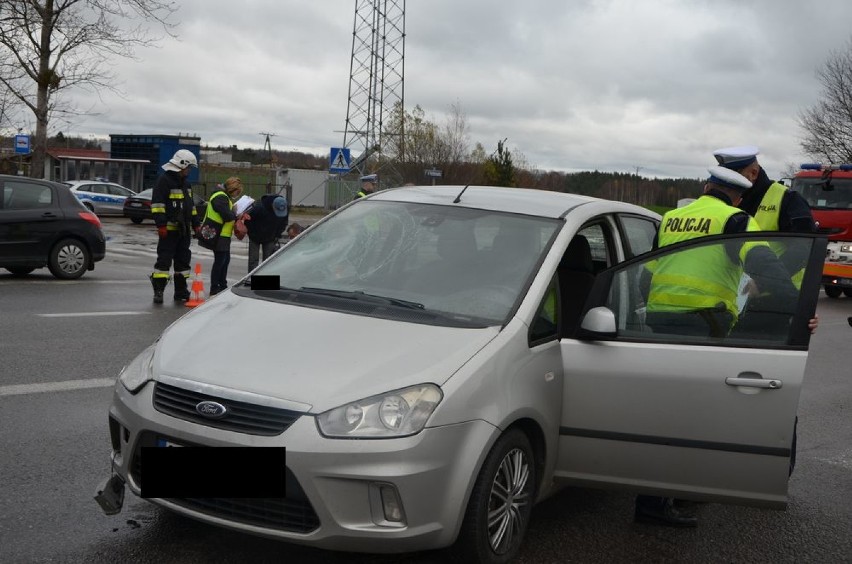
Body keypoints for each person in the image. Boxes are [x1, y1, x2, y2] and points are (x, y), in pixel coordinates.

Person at [636, 166, 800, 527]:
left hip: (658, 322)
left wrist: (656, 309)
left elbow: (646, 275)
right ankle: (666, 500)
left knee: (661, 412)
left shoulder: (673, 218)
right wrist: (795, 306)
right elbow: (766, 267)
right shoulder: (736, 219)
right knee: (693, 418)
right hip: (703, 327)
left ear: (706, 186)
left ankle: (654, 497)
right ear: (738, 196)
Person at [149, 149, 201, 304]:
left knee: (183, 262)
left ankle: (180, 291)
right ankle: (159, 291)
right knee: (163, 262)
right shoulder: (164, 181)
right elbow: (158, 205)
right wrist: (161, 225)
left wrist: (196, 225)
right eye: (189, 167)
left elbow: (191, 207)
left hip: (183, 231)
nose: (190, 171)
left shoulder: (186, 185)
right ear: (182, 165)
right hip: (169, 231)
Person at [204, 177, 243, 295]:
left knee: (224, 261)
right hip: (219, 234)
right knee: (220, 261)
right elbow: (227, 215)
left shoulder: (223, 197)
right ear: (232, 189)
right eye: (237, 192)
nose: (237, 194)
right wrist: (236, 213)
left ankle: (222, 285)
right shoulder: (221, 197)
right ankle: (215, 287)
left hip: (222, 234)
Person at [245, 194, 289, 272]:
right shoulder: (259, 207)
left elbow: (284, 223)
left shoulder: (284, 207)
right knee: (253, 261)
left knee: (268, 261)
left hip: (270, 237)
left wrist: (277, 234)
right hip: (254, 236)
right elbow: (248, 220)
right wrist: (251, 233)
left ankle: (266, 282)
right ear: (272, 205)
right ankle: (251, 280)